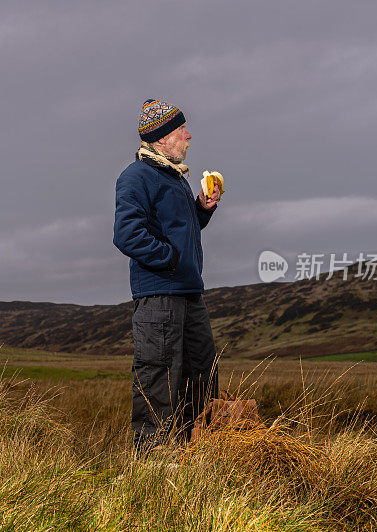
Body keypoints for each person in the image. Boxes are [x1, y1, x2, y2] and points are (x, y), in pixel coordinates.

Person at [113, 99, 221, 457]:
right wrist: (170, 259)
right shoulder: (136, 176)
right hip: (159, 295)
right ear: (161, 139)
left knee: (201, 372)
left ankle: (198, 448)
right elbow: (127, 235)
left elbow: (175, 229)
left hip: (190, 293)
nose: (189, 137)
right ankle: (154, 459)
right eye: (181, 132)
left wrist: (200, 211)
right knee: (158, 373)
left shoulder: (173, 177)